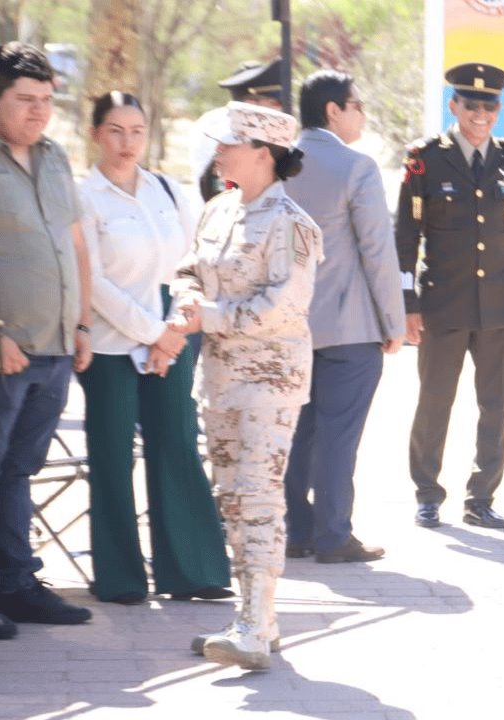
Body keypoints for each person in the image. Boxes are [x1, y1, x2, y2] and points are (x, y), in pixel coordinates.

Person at [174, 101, 320, 670]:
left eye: (230, 142)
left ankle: (254, 627)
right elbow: (189, 267)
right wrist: (186, 296)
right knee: (232, 499)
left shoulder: (292, 224)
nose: (219, 152)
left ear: (264, 153)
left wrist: (206, 315)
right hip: (220, 380)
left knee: (258, 499)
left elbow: (283, 308)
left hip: (268, 385)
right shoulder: (218, 210)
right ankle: (254, 615)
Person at [76, 92, 232, 604]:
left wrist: (173, 334)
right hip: (110, 347)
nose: (127, 143)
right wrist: (153, 333)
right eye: (116, 131)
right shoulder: (84, 196)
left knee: (178, 447)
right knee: (113, 458)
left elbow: (193, 262)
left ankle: (194, 571)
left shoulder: (167, 189)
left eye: (136, 131)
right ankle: (120, 579)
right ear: (96, 133)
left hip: (171, 336)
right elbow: (92, 282)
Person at [396, 63, 504, 531]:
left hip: (501, 307)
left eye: (490, 106)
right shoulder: (425, 160)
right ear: (454, 106)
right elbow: (406, 236)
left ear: (499, 110)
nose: (481, 114)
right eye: (471, 105)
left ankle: (481, 496)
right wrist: (408, 303)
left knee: (497, 405)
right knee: (435, 401)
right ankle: (427, 492)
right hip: (443, 304)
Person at [281, 70, 404, 564]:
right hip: (350, 326)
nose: (363, 114)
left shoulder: (279, 161)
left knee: (297, 430)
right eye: (357, 105)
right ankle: (333, 535)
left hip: (289, 323)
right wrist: (394, 322)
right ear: (333, 110)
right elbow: (377, 250)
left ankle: (296, 529)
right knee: (339, 436)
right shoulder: (357, 166)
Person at [0, 41, 94, 639]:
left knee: (17, 471)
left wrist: (81, 323)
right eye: (24, 100)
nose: (38, 112)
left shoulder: (56, 158)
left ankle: (15, 586)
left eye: (47, 101)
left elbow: (77, 246)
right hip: (7, 350)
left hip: (56, 348)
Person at [190, 59, 284, 202]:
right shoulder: (224, 131)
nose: (280, 109)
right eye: (275, 102)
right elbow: (217, 186)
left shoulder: (258, 132)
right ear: (250, 104)